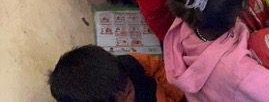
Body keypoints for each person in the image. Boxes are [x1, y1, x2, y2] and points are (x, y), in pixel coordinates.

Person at [48, 44, 183, 102]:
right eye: (122, 99)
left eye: (128, 89)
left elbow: (160, 68)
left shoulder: (131, 62)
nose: (129, 95)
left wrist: (178, 93)